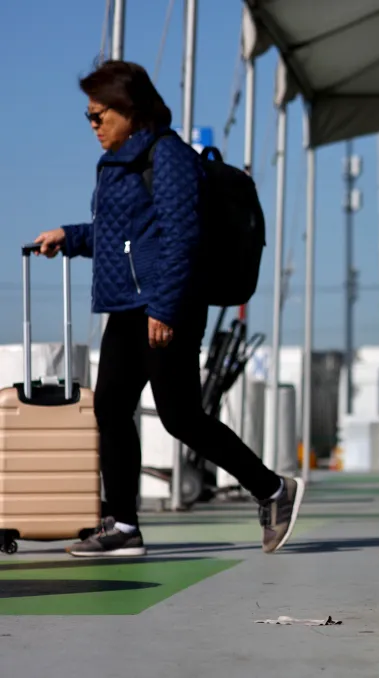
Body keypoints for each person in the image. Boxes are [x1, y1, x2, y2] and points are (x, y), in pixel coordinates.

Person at [33, 60, 304, 557]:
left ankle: (273, 489)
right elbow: (123, 238)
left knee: (180, 416)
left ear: (130, 111)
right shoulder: (117, 164)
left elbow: (183, 239)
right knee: (111, 408)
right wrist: (69, 238)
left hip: (164, 307)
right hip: (127, 306)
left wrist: (166, 307)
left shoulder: (169, 156)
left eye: (99, 116)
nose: (93, 125)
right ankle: (123, 526)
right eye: (88, 117)